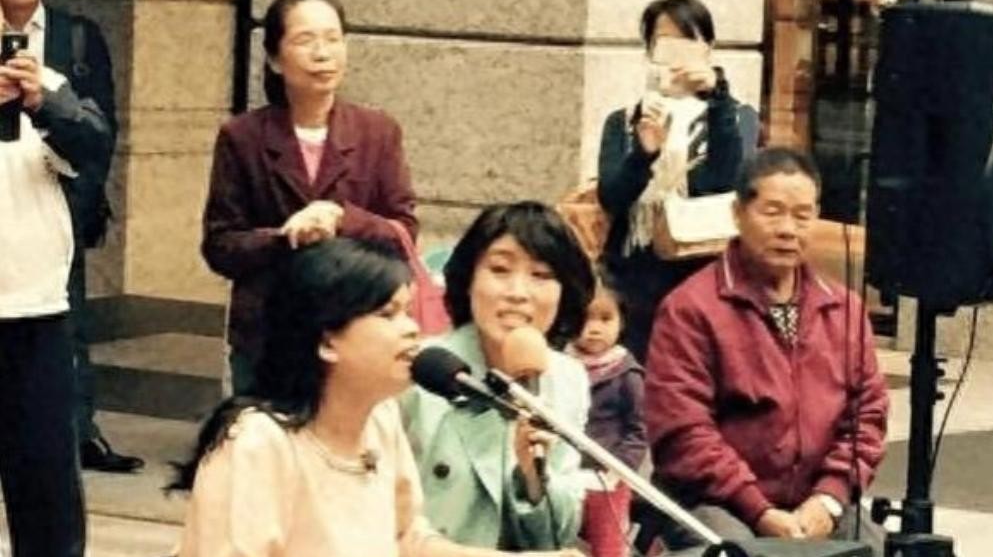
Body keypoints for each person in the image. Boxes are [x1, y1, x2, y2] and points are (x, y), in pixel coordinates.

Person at [170, 237, 582, 557]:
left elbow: (408, 541)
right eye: (388, 314)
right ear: (327, 341)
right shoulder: (258, 443)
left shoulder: (381, 419)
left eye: (408, 312)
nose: (411, 329)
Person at [644, 148, 889, 555]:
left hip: (817, 503)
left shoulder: (844, 309)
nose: (788, 229)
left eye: (802, 215)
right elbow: (684, 432)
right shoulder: (690, 307)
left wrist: (828, 499)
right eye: (772, 212)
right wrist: (759, 511)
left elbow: (868, 417)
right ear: (738, 213)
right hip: (717, 503)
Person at [201, 0, 417, 396]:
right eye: (305, 40)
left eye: (333, 39)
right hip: (268, 333)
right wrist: (285, 237)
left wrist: (341, 219)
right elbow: (220, 245)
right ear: (274, 58)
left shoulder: (377, 132)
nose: (323, 54)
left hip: (354, 329)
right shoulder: (242, 136)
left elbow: (403, 232)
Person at [0, 0, 141, 472]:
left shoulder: (76, 37)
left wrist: (80, 201)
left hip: (57, 203)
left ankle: (77, 431)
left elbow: (101, 128)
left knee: (66, 325)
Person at [400, 201, 594, 550]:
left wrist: (534, 481)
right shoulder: (419, 370)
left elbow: (559, 535)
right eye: (500, 269)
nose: (518, 293)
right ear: (468, 279)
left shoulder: (568, 380)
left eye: (541, 275)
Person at [0, 0, 115, 557]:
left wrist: (42, 103)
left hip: (37, 311)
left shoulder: (42, 81)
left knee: (46, 492)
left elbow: (95, 144)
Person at [597, 0, 756, 363]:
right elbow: (612, 198)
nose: (676, 57)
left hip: (702, 274)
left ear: (708, 49)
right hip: (633, 278)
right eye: (664, 44)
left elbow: (723, 184)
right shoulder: (624, 120)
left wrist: (717, 98)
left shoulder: (734, 116)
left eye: (688, 42)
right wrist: (644, 154)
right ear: (649, 51)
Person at [564, 268, 646, 557]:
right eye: (585, 318)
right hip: (565, 474)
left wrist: (619, 469)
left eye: (605, 318)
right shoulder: (559, 366)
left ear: (621, 321)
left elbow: (639, 431)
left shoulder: (627, 373)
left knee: (607, 546)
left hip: (609, 479)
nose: (594, 328)